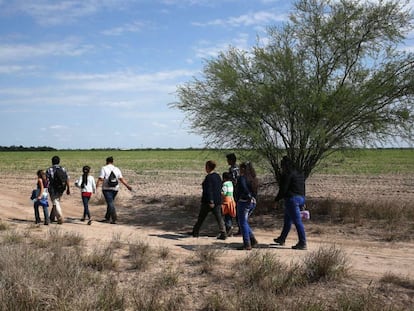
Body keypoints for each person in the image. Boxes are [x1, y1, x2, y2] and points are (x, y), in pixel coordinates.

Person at [273, 156, 307, 250]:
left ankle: (302, 242)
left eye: (282, 166)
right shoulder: (299, 174)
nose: (281, 168)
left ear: (284, 165)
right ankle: (282, 238)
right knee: (287, 220)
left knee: (297, 221)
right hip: (301, 198)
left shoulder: (287, 174)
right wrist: (303, 200)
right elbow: (303, 188)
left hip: (292, 200)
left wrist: (276, 200)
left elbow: (283, 189)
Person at [189, 160, 227, 240]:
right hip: (217, 200)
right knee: (219, 218)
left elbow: (208, 190)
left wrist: (211, 200)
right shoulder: (217, 176)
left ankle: (195, 232)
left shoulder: (209, 177)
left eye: (206, 166)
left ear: (208, 167)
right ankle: (223, 232)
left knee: (201, 217)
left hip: (208, 201)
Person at [96, 156, 132, 224]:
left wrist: (96, 186)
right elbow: (121, 179)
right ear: (112, 162)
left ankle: (114, 217)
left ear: (106, 161)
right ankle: (107, 218)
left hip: (106, 188)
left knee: (110, 203)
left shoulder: (104, 168)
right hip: (115, 188)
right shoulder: (117, 169)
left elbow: (101, 179)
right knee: (110, 202)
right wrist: (127, 186)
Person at [235, 162, 258, 250]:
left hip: (244, 202)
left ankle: (247, 243)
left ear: (244, 169)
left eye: (240, 168)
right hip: (253, 202)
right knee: (244, 222)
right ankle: (252, 240)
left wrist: (246, 196)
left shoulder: (242, 178)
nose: (239, 170)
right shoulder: (253, 179)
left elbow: (244, 188)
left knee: (242, 223)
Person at [46, 155, 70, 224]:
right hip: (61, 188)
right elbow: (67, 179)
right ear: (59, 161)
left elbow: (47, 180)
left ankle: (60, 218)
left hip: (53, 188)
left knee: (55, 202)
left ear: (52, 162)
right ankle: (52, 217)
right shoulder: (63, 169)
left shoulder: (49, 169)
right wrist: (68, 188)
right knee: (56, 201)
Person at [225, 153, 240, 236]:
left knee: (229, 209)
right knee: (238, 211)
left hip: (234, 192)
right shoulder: (239, 168)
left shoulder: (232, 169)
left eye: (228, 160)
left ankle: (229, 226)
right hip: (239, 192)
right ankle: (241, 228)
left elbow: (234, 181)